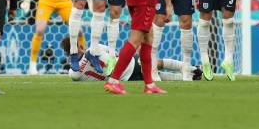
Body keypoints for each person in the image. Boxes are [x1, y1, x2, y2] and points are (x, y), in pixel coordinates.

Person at [60, 37, 202, 82]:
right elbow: (113, 53)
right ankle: (189, 74)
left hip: (126, 69)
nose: (81, 48)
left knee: (155, 67)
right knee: (155, 72)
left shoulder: (75, 72)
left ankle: (191, 70)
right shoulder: (91, 50)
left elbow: (113, 53)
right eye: (79, 47)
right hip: (124, 73)